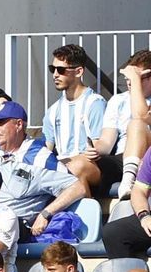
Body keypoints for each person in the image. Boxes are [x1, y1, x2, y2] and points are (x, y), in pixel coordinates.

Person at [0, 101, 87, 245]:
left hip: (12, 225)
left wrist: (46, 213)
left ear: (19, 125)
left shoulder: (39, 156)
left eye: (0, 122)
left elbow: (76, 187)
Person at [42, 43, 114, 192]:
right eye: (52, 69)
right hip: (63, 167)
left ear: (79, 71)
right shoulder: (53, 110)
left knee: (76, 167)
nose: (55, 74)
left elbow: (96, 151)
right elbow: (46, 150)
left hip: (93, 167)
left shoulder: (95, 103)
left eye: (61, 70)